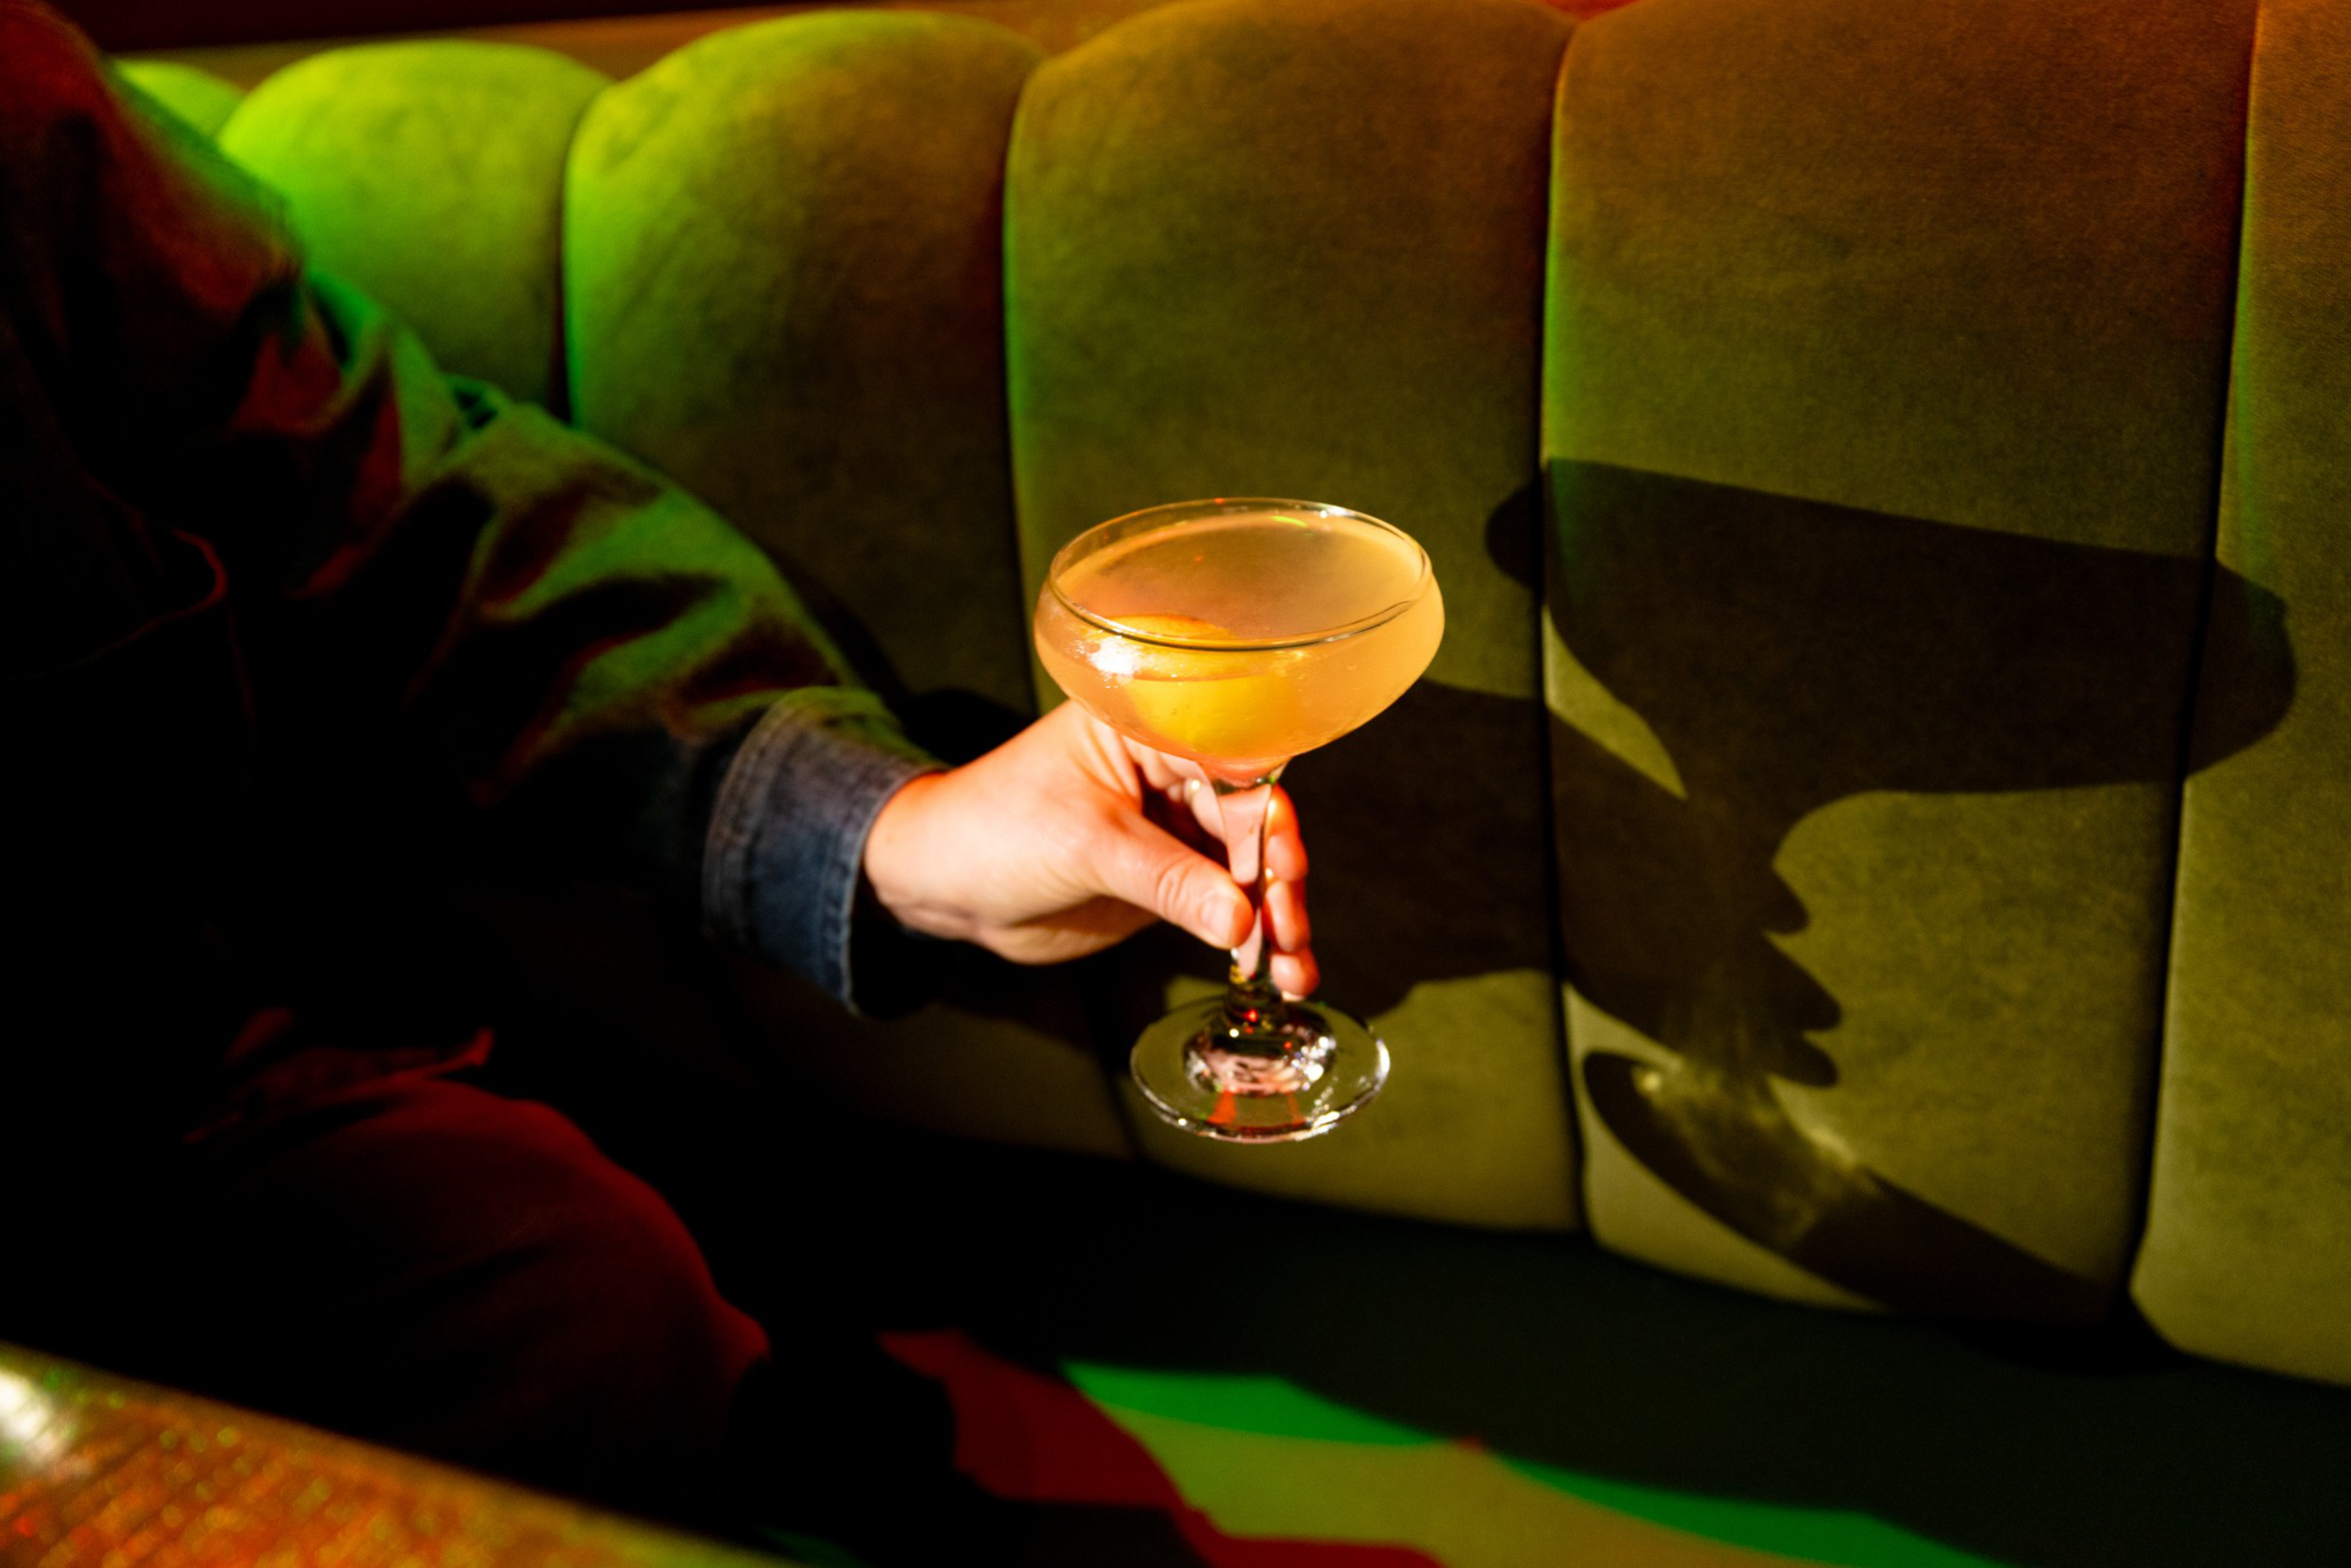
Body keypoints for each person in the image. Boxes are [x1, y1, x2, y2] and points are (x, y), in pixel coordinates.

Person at [0, 2, 1314, 1556]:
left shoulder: (20, 117)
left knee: (585, 1292)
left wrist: (892, 834)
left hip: (172, 1137)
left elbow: (393, 518)